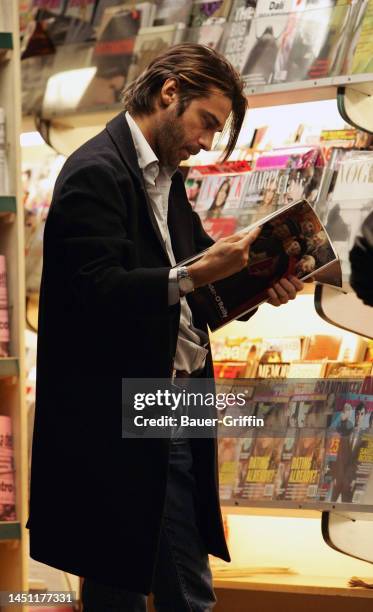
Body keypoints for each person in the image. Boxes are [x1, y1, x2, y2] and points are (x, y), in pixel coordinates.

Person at [26, 44, 304, 612]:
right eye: (207, 122)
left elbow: (199, 277)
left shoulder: (166, 178)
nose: (205, 142)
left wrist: (259, 286)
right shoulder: (94, 173)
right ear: (170, 92)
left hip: (176, 396)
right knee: (179, 576)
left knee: (126, 575)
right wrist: (194, 271)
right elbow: (92, 291)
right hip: (137, 404)